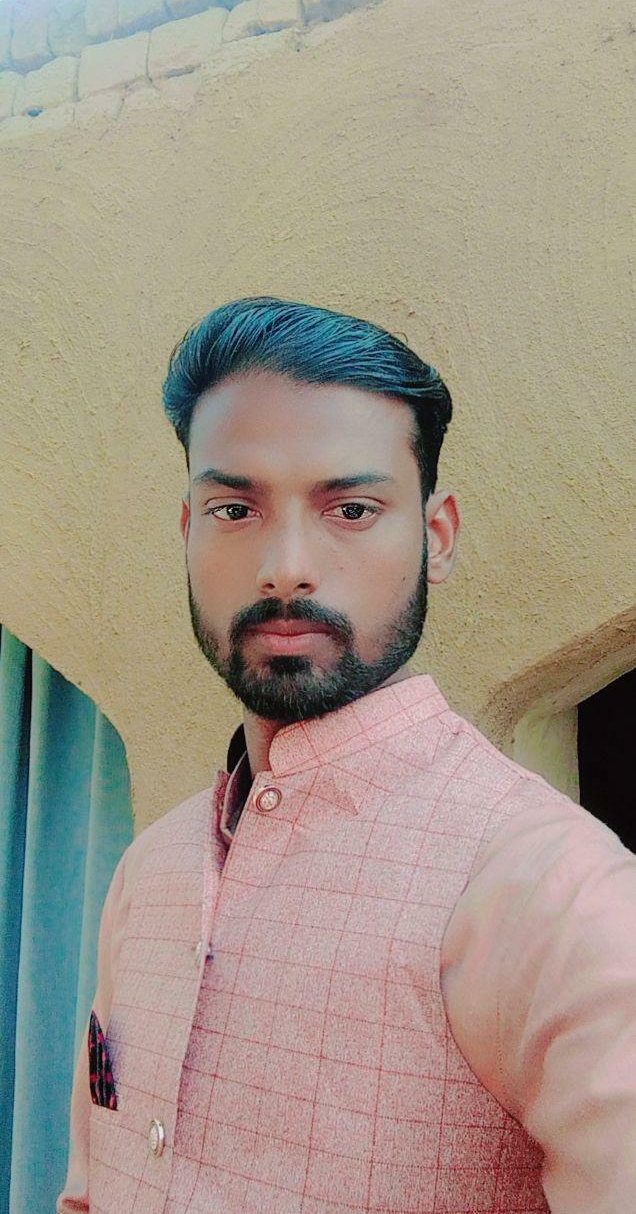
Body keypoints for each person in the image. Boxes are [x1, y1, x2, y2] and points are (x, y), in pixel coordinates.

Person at [58, 296, 636, 1214]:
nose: (286, 565)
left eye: (352, 509)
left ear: (435, 538)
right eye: (234, 508)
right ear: (187, 531)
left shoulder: (549, 891)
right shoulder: (150, 870)